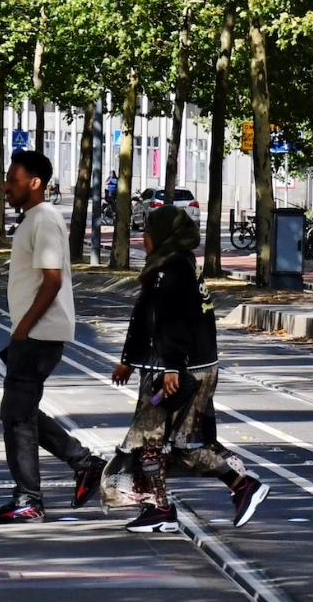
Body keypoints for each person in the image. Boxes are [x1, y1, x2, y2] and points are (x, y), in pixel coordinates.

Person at [101, 206, 269, 532]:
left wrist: (173, 368)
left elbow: (171, 323)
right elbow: (149, 316)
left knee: (159, 439)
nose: (143, 237)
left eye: (148, 231)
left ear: (165, 235)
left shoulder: (173, 269)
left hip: (176, 377)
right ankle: (161, 507)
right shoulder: (177, 266)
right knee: (160, 441)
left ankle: (237, 485)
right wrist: (129, 359)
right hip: (181, 371)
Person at [0, 150, 104, 524]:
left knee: (16, 416)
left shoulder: (46, 220)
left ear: (34, 183)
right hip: (34, 332)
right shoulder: (33, 219)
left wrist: (23, 328)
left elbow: (52, 281)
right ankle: (83, 463)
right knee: (17, 411)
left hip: (38, 333)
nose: (6, 185)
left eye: (13, 179)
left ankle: (29, 499)